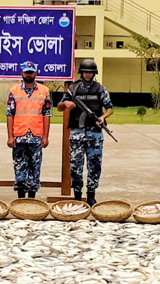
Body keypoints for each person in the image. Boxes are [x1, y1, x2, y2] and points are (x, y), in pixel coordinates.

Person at [57, 58, 114, 206]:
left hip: (95, 134)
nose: (88, 75)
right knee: (75, 166)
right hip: (77, 133)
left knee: (94, 166)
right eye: (85, 72)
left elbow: (110, 108)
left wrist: (102, 117)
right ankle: (77, 195)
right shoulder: (73, 89)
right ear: (81, 73)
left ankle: (91, 195)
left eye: (90, 72)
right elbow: (59, 107)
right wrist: (65, 103)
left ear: (94, 73)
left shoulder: (100, 90)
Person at [7, 61, 52, 199]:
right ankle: (21, 197)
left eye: (31, 72)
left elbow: (47, 114)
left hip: (36, 135)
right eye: (26, 72)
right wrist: (10, 136)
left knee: (35, 167)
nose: (28, 75)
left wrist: (45, 136)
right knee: (19, 167)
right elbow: (10, 114)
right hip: (19, 135)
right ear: (22, 73)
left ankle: (32, 197)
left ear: (35, 73)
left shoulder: (44, 91)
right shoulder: (13, 91)